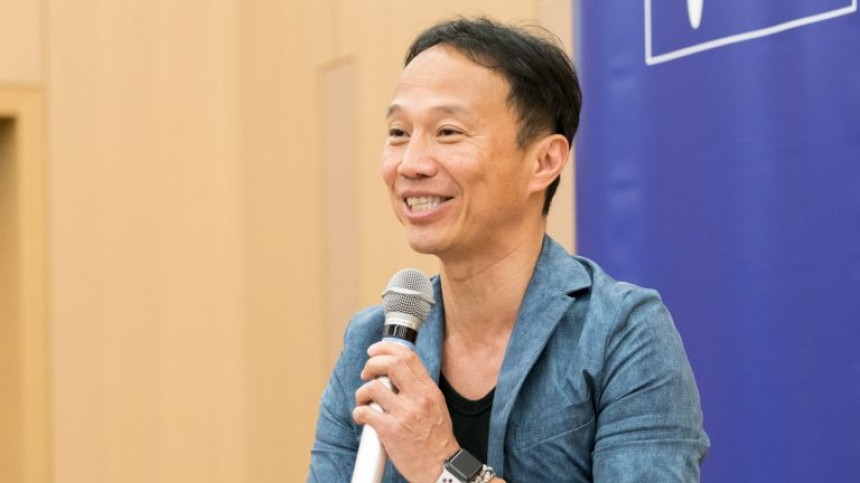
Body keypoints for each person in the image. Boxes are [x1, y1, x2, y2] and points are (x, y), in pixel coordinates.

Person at [308, 17, 709, 482]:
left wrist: (442, 464)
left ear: (544, 161)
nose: (411, 164)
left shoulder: (620, 332)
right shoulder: (373, 341)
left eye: (448, 132)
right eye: (399, 132)